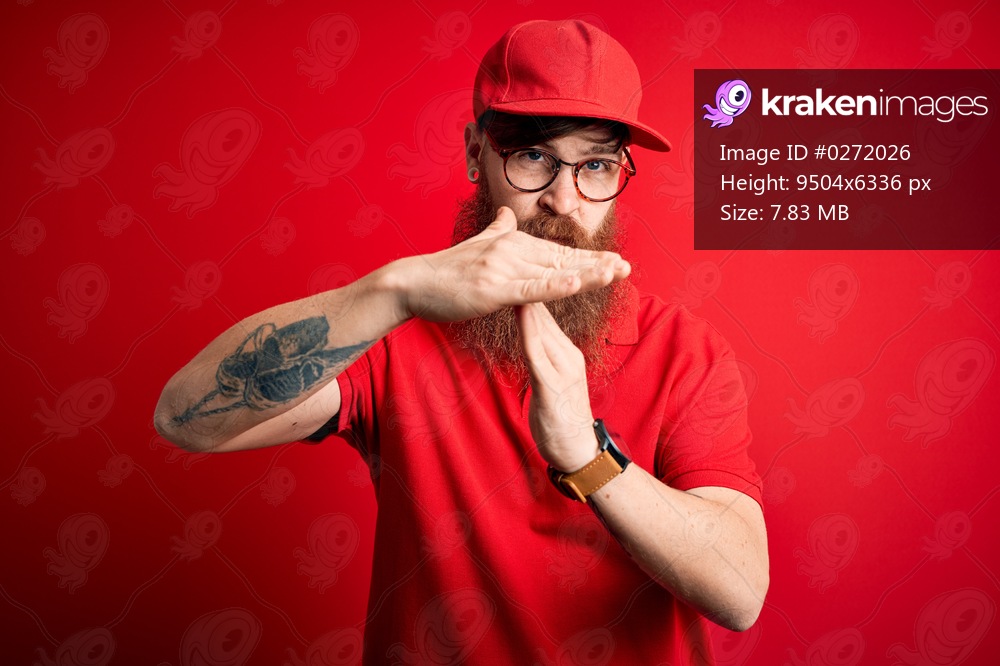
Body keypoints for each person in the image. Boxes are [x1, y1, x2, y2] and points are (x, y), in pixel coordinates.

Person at [155, 19, 768, 665]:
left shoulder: (685, 351)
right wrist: (393, 292)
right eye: (533, 157)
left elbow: (740, 592)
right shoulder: (395, 336)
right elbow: (185, 418)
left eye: (595, 165)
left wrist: (587, 458)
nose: (564, 200)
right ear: (477, 153)